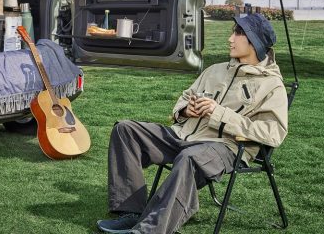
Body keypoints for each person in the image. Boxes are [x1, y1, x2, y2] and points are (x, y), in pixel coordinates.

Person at [97, 13, 289, 234]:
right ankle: (130, 213)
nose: (230, 39)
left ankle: (151, 229)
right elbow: (186, 96)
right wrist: (185, 110)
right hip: (183, 135)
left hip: (224, 147)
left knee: (189, 158)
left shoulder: (272, 85)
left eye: (237, 33)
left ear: (254, 41)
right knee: (125, 130)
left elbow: (273, 133)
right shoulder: (215, 70)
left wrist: (219, 114)